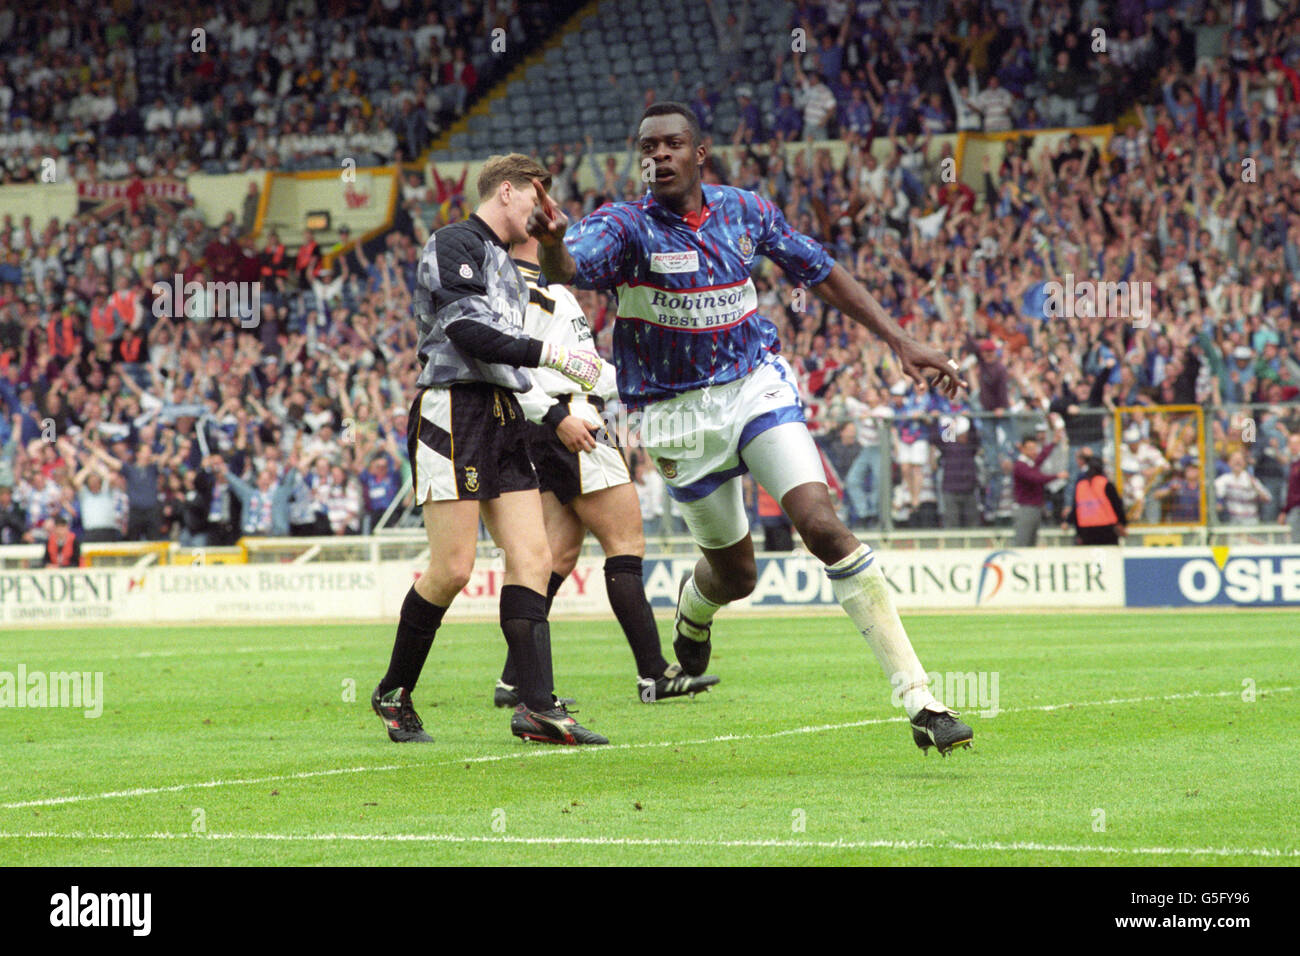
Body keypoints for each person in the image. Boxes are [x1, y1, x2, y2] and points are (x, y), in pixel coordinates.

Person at [529, 102, 973, 755]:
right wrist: (552, 241)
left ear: (700, 153)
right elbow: (570, 268)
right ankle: (696, 606)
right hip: (675, 415)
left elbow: (818, 269)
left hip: (755, 387)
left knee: (822, 527)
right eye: (649, 146)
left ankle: (921, 700)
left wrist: (899, 341)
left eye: (674, 144)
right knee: (737, 576)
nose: (661, 156)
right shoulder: (624, 227)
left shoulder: (745, 211)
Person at [372, 154, 609, 747]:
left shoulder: (505, 262)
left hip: (503, 413)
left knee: (534, 558)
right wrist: (552, 356)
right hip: (453, 409)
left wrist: (551, 410)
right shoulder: (454, 241)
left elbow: (503, 355)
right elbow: (467, 332)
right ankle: (393, 692)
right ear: (507, 191)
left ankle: (536, 709)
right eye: (536, 197)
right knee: (453, 569)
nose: (542, 210)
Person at [498, 233, 719, 706]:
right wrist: (557, 417)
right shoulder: (523, 289)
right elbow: (514, 365)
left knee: (555, 558)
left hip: (558, 420)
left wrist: (646, 385)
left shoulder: (548, 292)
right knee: (625, 545)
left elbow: (587, 367)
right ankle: (654, 674)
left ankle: (514, 678)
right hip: (570, 421)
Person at [1006, 427, 1067, 546]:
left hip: (1034, 508)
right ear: (1022, 449)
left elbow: (1042, 456)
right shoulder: (1020, 466)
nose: (1034, 452)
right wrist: (1057, 476)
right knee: (1023, 542)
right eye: (1030, 449)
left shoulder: (1030, 463)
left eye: (1035, 449)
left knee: (1031, 542)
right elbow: (1036, 478)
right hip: (1025, 509)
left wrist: (1053, 442)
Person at [1063, 450, 1126, 545]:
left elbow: (1076, 508)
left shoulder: (1080, 485)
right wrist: (1123, 523)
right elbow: (1117, 505)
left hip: (1085, 529)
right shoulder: (1106, 484)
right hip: (1107, 528)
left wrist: (1069, 523)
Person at [1214, 450, 1270, 525]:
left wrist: (1255, 488)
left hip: (1251, 522)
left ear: (1244, 463)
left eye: (1240, 460)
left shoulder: (1251, 480)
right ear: (1229, 463)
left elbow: (1267, 499)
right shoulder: (1224, 480)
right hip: (1233, 523)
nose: (1237, 463)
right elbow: (1218, 498)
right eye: (1234, 460)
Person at [1278, 434, 1300, 544]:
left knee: (1295, 542)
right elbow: (1291, 490)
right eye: (1291, 444)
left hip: (1297, 508)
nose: (1294, 446)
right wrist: (1285, 510)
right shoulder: (1293, 464)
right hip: (1293, 508)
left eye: (1297, 443)